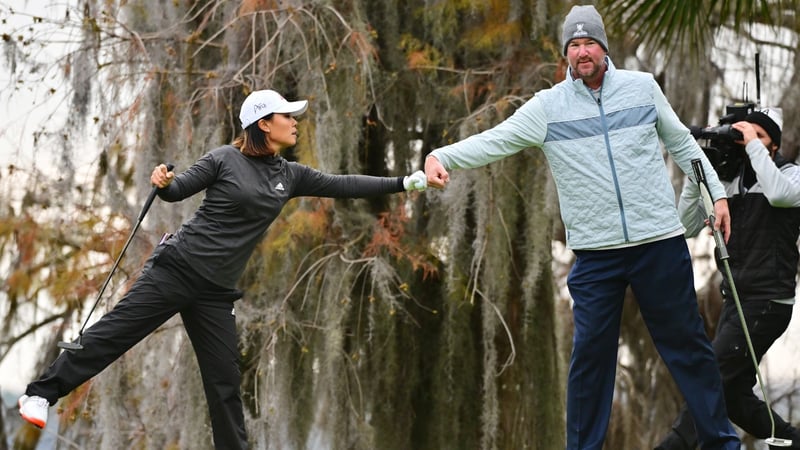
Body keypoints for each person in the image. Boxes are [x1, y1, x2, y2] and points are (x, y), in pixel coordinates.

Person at [17, 89, 428, 449]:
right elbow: (177, 190)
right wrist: (163, 180)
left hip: (215, 293)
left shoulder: (290, 175)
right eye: (288, 116)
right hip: (176, 269)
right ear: (264, 124)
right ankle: (40, 394)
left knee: (225, 384)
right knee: (113, 335)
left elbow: (344, 184)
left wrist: (405, 182)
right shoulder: (224, 159)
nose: (295, 123)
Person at [423, 5, 741, 450]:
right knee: (589, 357)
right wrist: (443, 156)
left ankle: (721, 442)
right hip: (597, 255)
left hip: (659, 244)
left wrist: (717, 195)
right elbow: (495, 139)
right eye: (573, 45)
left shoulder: (642, 88)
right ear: (565, 54)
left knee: (689, 347)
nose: (582, 51)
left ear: (604, 47)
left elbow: (683, 145)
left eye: (589, 42)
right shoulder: (547, 107)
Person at [656, 107, 800, 449]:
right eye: (743, 137)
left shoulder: (790, 176)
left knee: (709, 378)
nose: (748, 144)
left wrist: (751, 142)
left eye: (760, 138)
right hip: (736, 301)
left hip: (768, 301)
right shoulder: (729, 183)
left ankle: (672, 446)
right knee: (732, 394)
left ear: (774, 146)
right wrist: (698, 177)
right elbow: (686, 227)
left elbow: (778, 194)